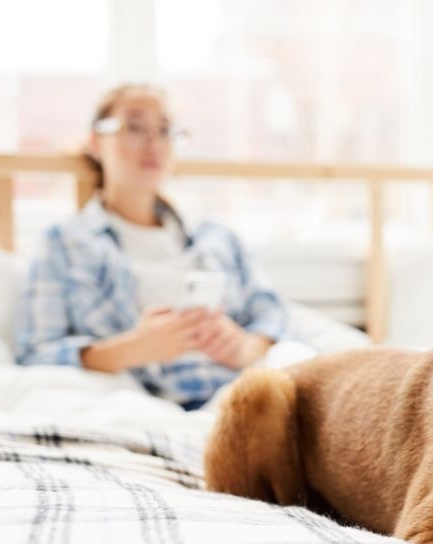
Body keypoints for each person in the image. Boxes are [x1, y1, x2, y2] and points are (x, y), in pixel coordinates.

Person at [15, 84, 286, 410]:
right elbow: (35, 352)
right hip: (134, 407)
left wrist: (247, 346)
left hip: (237, 399)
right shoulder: (64, 243)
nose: (153, 143)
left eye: (165, 130)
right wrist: (132, 349)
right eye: (134, 127)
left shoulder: (217, 237)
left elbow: (275, 316)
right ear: (96, 143)